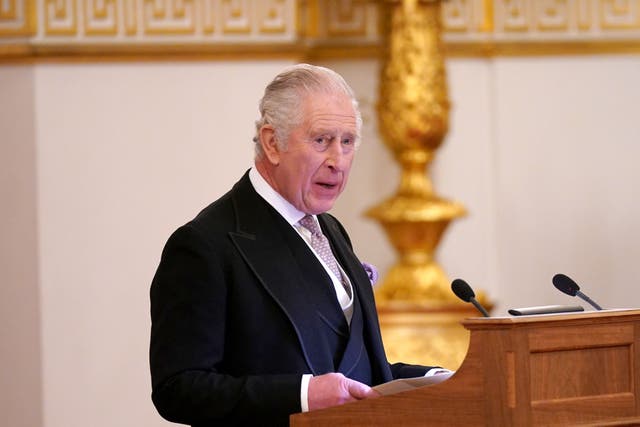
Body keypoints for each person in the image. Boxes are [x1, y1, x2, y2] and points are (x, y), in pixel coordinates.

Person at [149, 64, 441, 426]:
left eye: (347, 142)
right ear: (273, 142)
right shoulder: (203, 245)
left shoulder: (332, 230)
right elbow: (178, 388)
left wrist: (433, 381)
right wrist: (301, 395)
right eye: (321, 141)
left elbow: (356, 369)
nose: (338, 161)